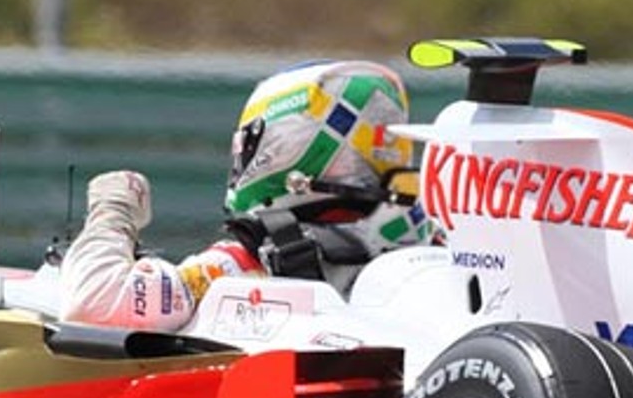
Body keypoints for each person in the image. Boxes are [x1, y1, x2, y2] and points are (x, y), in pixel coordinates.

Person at [60, 59, 434, 330]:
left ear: (285, 143)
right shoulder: (429, 236)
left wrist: (114, 211)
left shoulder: (255, 257)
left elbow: (96, 300)